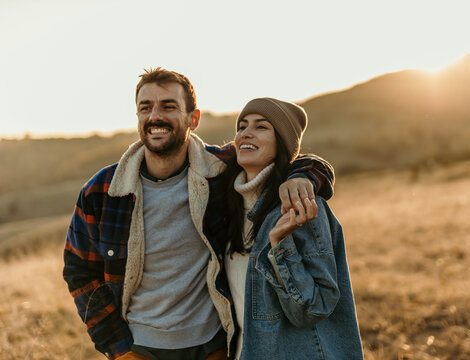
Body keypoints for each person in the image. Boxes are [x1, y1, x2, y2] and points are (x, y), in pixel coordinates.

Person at [62, 69, 335, 360]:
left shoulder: (220, 170)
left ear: (193, 119)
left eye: (168, 106)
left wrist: (303, 176)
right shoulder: (102, 191)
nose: (155, 116)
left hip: (213, 346)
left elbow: (280, 154)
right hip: (140, 348)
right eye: (145, 107)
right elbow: (79, 271)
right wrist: (118, 348)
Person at [223, 98, 363, 359]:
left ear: (283, 143)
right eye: (242, 126)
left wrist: (280, 246)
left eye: (261, 127)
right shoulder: (226, 208)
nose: (246, 133)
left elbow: (314, 309)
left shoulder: (300, 206)